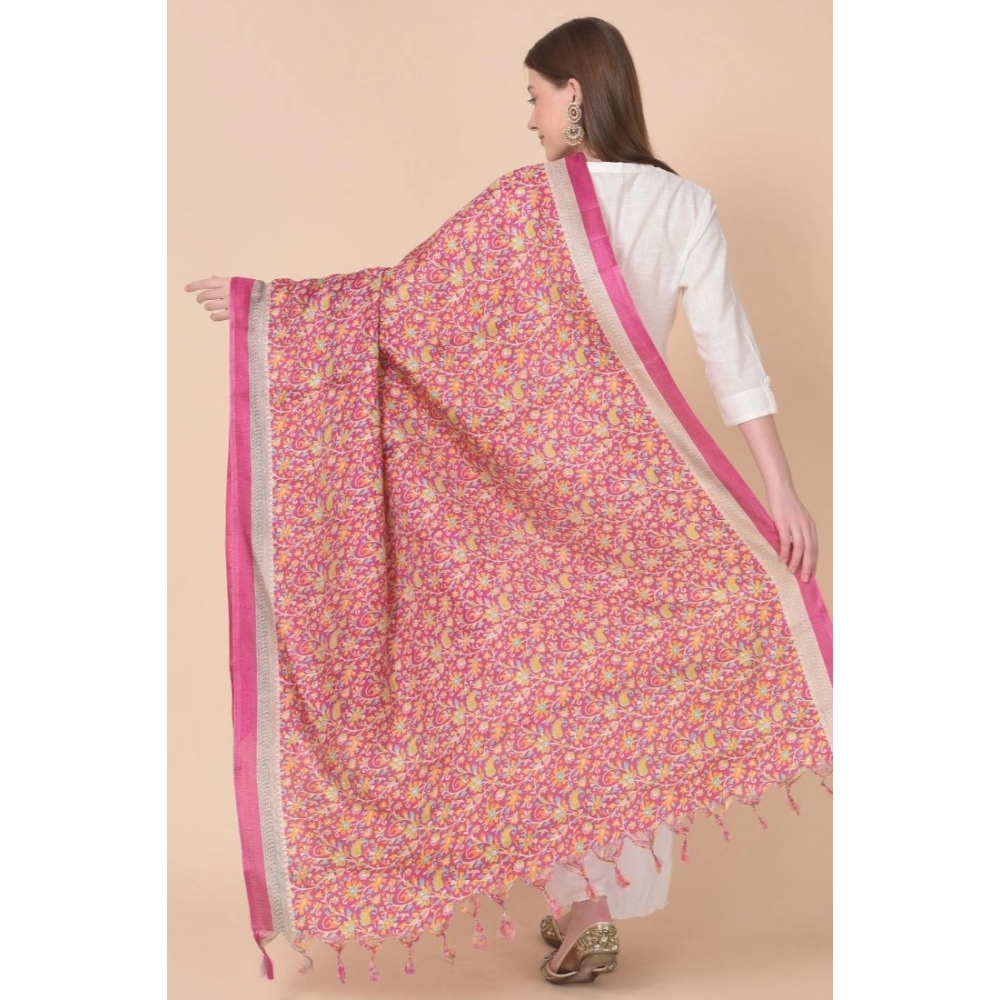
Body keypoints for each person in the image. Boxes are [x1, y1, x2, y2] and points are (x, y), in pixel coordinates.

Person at [185, 17, 828, 986]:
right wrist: (781, 492)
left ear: (576, 92)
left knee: (554, 705)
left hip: (533, 500)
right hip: (643, 496)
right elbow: (730, 355)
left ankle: (588, 912)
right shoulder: (684, 204)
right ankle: (588, 909)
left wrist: (268, 307)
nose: (529, 120)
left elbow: (401, 306)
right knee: (624, 704)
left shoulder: (522, 207)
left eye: (534, 97)